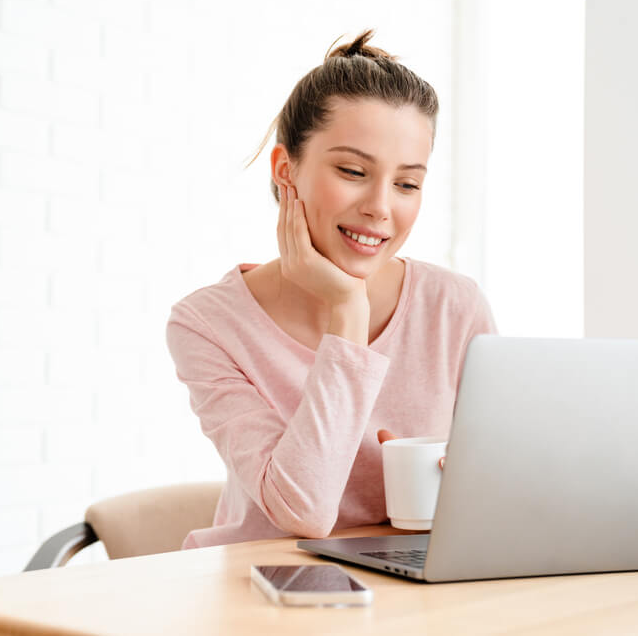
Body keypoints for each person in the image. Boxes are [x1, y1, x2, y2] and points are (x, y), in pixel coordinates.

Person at [165, 29, 498, 550]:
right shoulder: (208, 323)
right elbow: (304, 511)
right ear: (286, 172)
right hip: (262, 594)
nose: (381, 207)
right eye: (352, 171)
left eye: (407, 183)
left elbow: (501, 486)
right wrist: (348, 310)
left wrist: (480, 481)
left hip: (415, 591)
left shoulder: (454, 308)